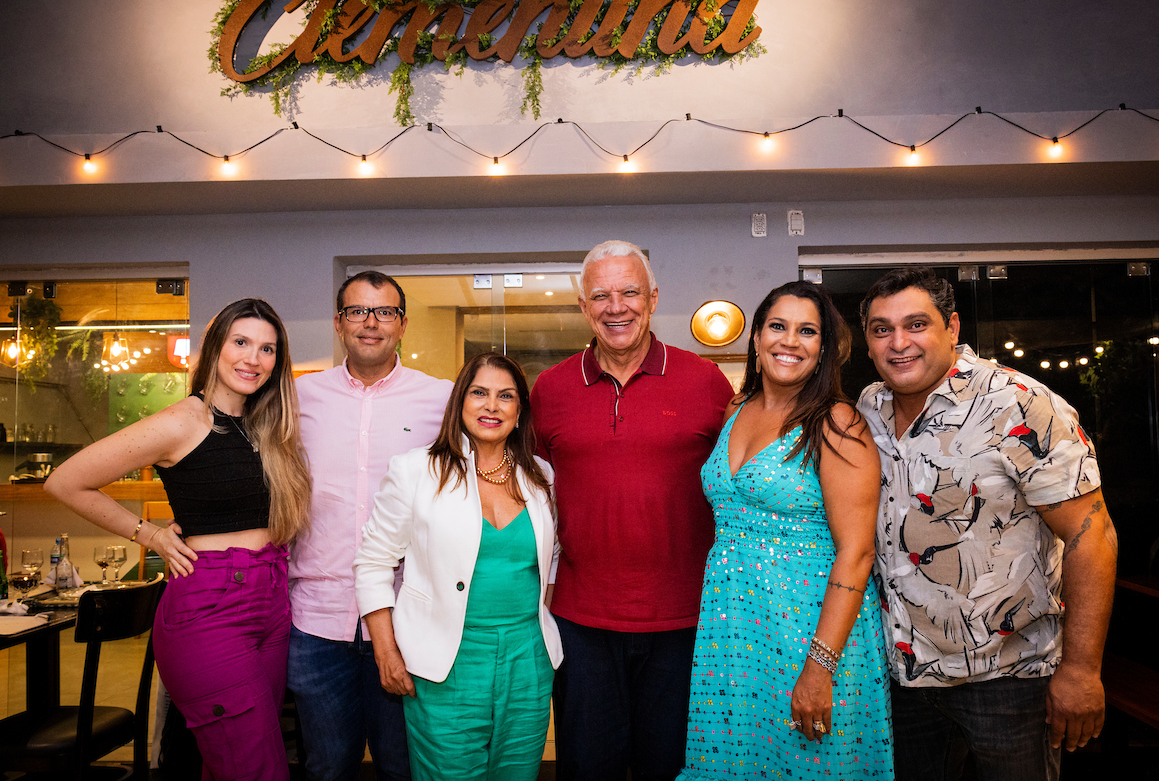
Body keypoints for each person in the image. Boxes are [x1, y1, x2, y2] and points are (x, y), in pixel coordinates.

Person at [856, 267, 1118, 781]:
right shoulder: (869, 407)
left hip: (1009, 679)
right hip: (900, 678)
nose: (899, 343)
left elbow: (1092, 536)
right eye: (882, 329)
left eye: (916, 325)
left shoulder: (1021, 403)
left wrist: (1083, 671)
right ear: (867, 341)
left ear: (952, 328)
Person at [46, 298, 311, 781]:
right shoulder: (182, 421)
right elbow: (65, 482)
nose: (254, 358)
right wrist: (148, 533)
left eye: (268, 349)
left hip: (272, 604)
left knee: (232, 764)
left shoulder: (265, 427)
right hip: (210, 610)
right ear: (214, 348)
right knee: (258, 770)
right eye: (241, 342)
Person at [531, 240, 735, 780]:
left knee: (669, 767)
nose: (615, 307)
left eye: (629, 292)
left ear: (653, 298)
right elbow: (530, 493)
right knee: (586, 766)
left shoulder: (706, 382)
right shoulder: (550, 389)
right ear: (582, 305)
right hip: (581, 619)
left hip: (686, 619)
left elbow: (740, 486)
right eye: (600, 295)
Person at [676, 281, 893, 780]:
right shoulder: (735, 411)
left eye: (807, 331)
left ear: (823, 350)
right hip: (732, 632)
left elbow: (858, 552)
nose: (789, 341)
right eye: (778, 326)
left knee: (812, 766)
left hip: (810, 634)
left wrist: (820, 666)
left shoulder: (838, 424)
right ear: (756, 338)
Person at [354, 353, 562, 781]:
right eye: (479, 393)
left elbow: (552, 558)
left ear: (520, 411)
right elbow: (373, 563)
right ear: (459, 403)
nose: (492, 406)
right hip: (446, 664)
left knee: (517, 774)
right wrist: (385, 650)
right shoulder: (416, 470)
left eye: (506, 396)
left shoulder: (541, 476)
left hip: (527, 661)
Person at [288, 270, 452, 781]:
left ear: (402, 325)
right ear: (339, 323)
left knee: (403, 766)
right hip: (317, 620)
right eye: (358, 311)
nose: (371, 324)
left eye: (384, 312)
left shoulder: (441, 399)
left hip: (407, 618)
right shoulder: (297, 397)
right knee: (326, 766)